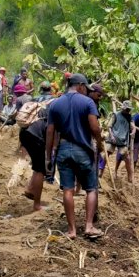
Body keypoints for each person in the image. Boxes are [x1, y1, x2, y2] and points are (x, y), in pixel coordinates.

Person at [45, 73, 104, 239]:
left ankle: (71, 230)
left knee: (68, 190)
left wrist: (48, 157)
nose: (86, 91)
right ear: (80, 85)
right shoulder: (88, 102)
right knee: (91, 189)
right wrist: (99, 144)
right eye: (85, 88)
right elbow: (95, 127)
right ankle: (89, 226)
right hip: (83, 150)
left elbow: (50, 132)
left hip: (63, 150)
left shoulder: (55, 104)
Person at [20, 88, 54, 212]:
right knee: (41, 169)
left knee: (37, 164)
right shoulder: (58, 107)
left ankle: (30, 189)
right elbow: (52, 130)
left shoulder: (46, 104)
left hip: (25, 133)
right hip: (35, 135)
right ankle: (37, 205)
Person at [107, 101, 136, 184]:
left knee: (127, 158)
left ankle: (130, 176)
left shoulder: (129, 117)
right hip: (113, 138)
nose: (128, 111)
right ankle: (100, 172)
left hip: (123, 140)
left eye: (129, 110)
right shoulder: (115, 115)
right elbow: (109, 126)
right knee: (106, 154)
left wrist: (133, 131)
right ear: (123, 108)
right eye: (127, 109)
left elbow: (133, 127)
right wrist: (112, 136)